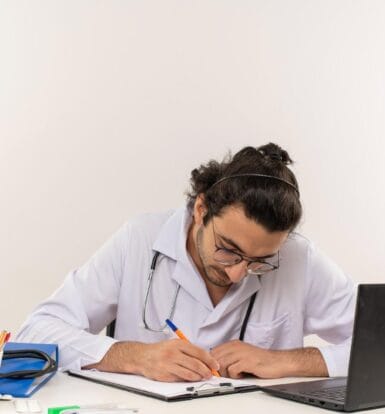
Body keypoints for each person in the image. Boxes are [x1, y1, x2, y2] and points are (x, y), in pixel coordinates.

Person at [17, 143, 356, 382]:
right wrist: (135, 356)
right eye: (228, 249)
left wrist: (284, 361)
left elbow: (378, 344)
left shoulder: (299, 258)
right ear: (201, 209)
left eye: (259, 262)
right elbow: (37, 332)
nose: (238, 273)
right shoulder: (139, 239)